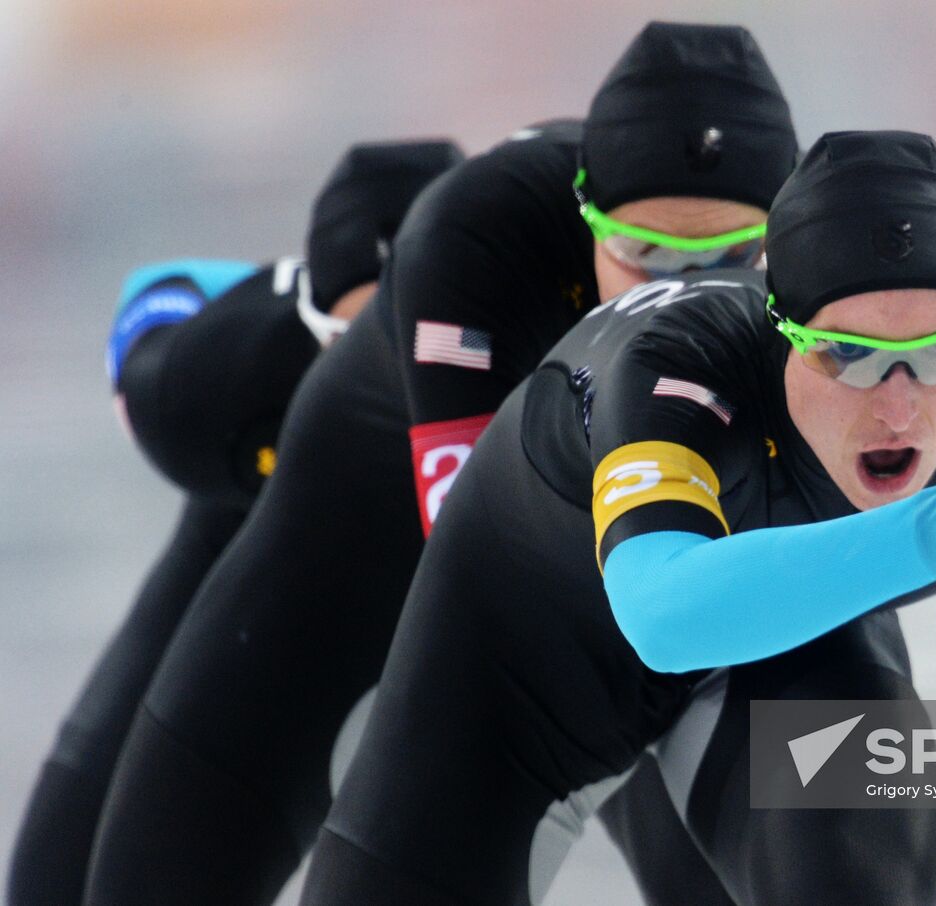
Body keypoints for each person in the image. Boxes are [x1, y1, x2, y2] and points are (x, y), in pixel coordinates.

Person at [297, 130, 936, 905]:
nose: (901, 406)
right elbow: (664, 616)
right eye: (850, 357)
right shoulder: (672, 368)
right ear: (779, 338)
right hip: (527, 668)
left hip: (778, 642)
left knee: (859, 866)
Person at [84, 23, 799, 906]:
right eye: (646, 256)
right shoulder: (474, 233)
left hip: (612, 558)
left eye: (731, 260)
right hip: (358, 535)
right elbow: (488, 579)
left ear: (790, 240)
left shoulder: (838, 285)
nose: (681, 292)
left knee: (806, 831)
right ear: (585, 216)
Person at [5, 140, 463, 906]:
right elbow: (157, 295)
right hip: (270, 592)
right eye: (353, 350)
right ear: (308, 324)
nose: (382, 386)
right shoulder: (212, 384)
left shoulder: (551, 346)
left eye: (413, 350)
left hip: (513, 634)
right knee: (58, 880)